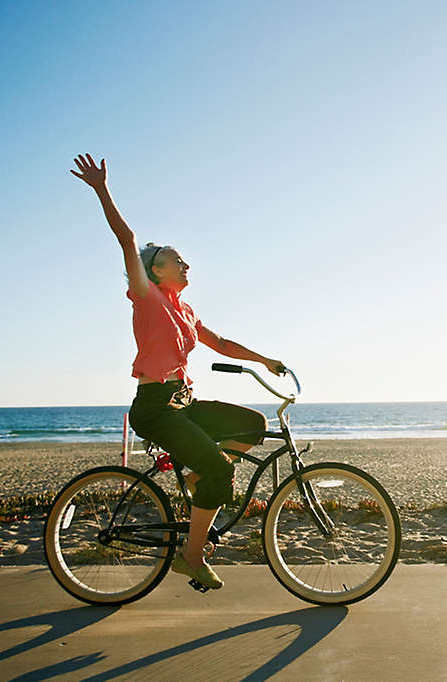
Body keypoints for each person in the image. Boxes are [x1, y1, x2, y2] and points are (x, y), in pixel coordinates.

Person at [71, 153, 284, 590]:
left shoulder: (183, 309)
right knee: (222, 474)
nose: (186, 263)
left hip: (183, 405)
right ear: (156, 270)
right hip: (155, 407)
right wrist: (101, 189)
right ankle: (190, 556)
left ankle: (192, 474)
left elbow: (220, 343)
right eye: (176, 258)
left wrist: (264, 360)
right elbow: (127, 240)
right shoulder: (145, 295)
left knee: (253, 424)